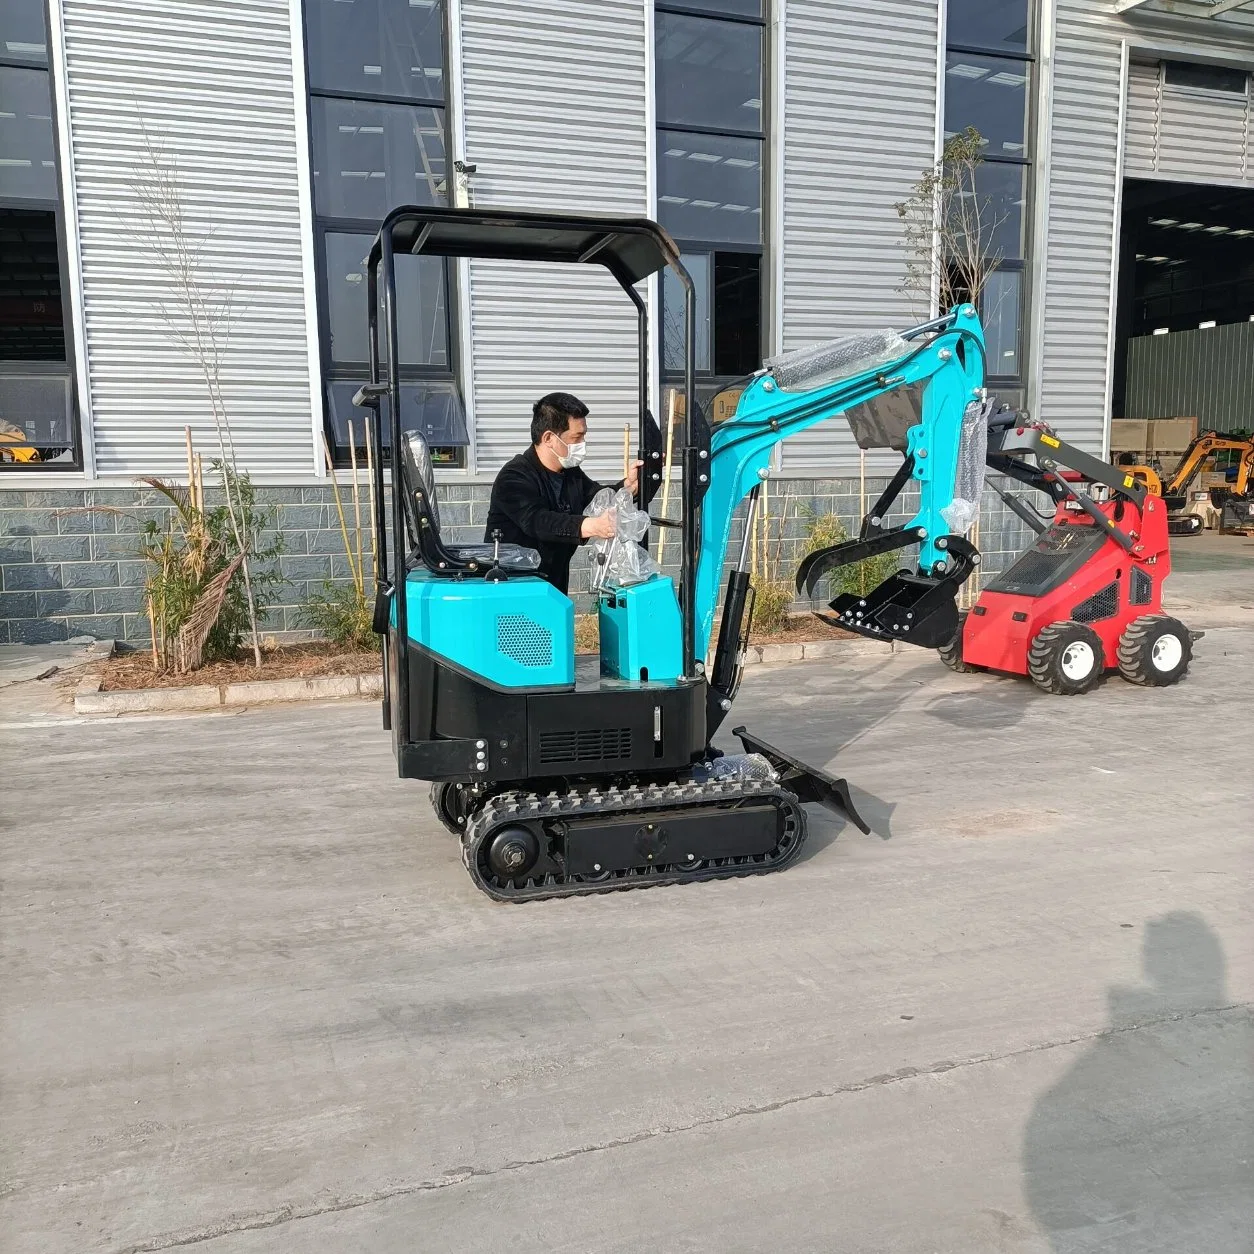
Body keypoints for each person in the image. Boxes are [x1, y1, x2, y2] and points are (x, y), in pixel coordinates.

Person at [484, 391, 641, 595]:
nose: (582, 444)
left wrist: (628, 485)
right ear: (549, 437)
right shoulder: (514, 476)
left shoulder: (570, 474)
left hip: (554, 586)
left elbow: (598, 497)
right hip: (514, 588)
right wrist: (592, 525)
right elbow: (538, 521)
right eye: (577, 437)